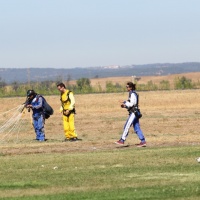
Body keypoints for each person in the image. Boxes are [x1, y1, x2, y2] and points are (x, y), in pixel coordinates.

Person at [115, 82, 146, 147]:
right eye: (126, 87)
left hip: (134, 113)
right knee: (137, 127)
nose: (127, 88)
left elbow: (132, 104)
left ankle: (122, 140)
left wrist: (124, 102)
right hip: (134, 112)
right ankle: (143, 141)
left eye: (127, 87)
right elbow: (131, 104)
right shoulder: (131, 94)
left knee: (127, 125)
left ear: (131, 87)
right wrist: (125, 106)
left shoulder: (133, 94)